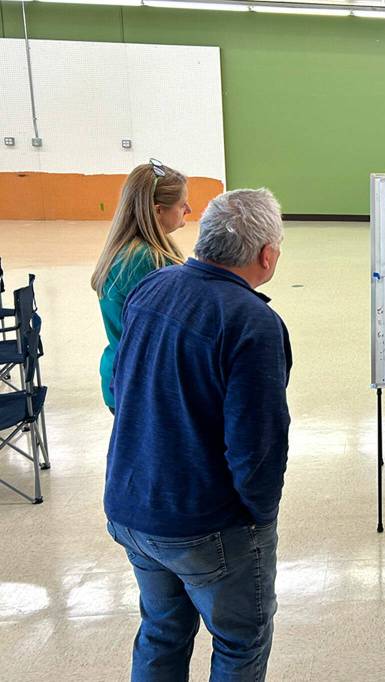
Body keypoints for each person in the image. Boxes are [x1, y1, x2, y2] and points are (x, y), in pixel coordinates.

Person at [104, 188, 292, 681]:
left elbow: (122, 387)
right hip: (205, 525)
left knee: (162, 631)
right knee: (239, 642)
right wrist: (259, 519)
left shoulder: (153, 287)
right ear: (266, 256)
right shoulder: (254, 322)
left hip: (132, 507)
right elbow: (258, 447)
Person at [90, 159, 190, 413]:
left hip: (123, 373)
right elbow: (169, 330)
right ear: (158, 211)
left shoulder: (128, 251)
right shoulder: (145, 260)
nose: (188, 209)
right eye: (181, 204)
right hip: (142, 384)